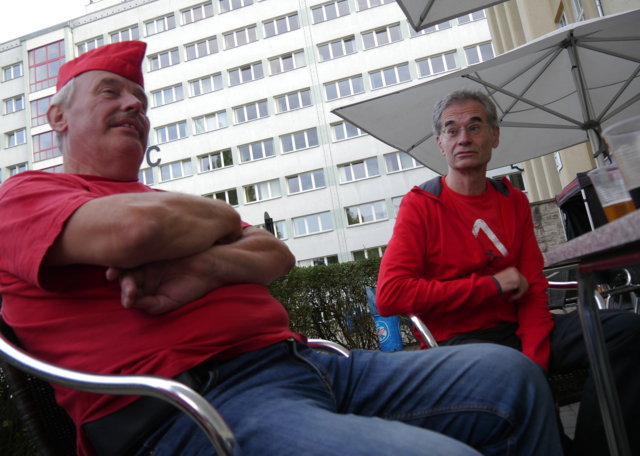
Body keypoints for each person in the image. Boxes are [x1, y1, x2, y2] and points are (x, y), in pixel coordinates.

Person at [0, 43, 563, 456]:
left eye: (141, 100)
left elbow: (276, 254)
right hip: (196, 409)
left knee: (510, 375)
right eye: (111, 92)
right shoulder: (25, 196)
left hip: (308, 364)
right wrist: (220, 221)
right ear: (57, 117)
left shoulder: (165, 204)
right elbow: (134, 233)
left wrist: (206, 263)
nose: (133, 106)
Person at [376, 89, 640, 456]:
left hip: (517, 330)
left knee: (624, 330)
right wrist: (490, 286)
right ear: (440, 143)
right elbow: (391, 295)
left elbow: (532, 289)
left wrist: (535, 360)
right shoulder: (421, 205)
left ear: (494, 136)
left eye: (474, 127)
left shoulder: (513, 201)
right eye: (452, 130)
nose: (463, 138)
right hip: (459, 343)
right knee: (517, 380)